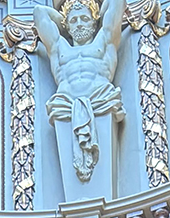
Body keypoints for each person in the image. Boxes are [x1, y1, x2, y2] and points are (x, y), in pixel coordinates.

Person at [33, 0, 125, 184]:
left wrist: (97, 16)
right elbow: (39, 12)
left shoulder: (104, 39)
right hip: (64, 105)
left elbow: (117, 3)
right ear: (67, 25)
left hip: (102, 100)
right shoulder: (59, 47)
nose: (80, 24)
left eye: (85, 19)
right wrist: (65, 19)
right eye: (74, 20)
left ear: (94, 22)